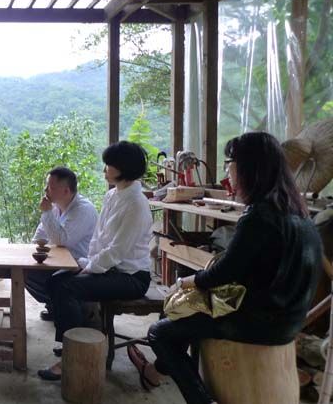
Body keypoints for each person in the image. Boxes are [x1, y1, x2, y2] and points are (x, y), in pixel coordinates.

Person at [128, 132, 322, 404]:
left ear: (248, 167)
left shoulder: (259, 216)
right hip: (289, 321)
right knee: (188, 320)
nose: (227, 171)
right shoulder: (300, 215)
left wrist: (186, 281)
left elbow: (223, 274)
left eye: (229, 163)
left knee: (160, 332)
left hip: (259, 324)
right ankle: (153, 374)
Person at [38, 141, 153, 381]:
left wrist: (89, 267)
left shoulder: (136, 204)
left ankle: (70, 356)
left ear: (123, 168)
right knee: (55, 280)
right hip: (109, 268)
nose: (104, 169)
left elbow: (117, 251)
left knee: (67, 287)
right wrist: (86, 262)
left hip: (130, 276)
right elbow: (98, 239)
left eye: (109, 165)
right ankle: (74, 341)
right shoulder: (113, 195)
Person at [26, 167, 98, 322]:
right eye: (46, 185)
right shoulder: (56, 206)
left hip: (79, 265)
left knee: (52, 280)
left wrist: (46, 213)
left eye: (50, 187)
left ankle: (79, 309)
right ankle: (56, 306)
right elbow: (40, 235)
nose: (45, 190)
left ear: (66, 191)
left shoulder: (83, 209)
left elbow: (62, 240)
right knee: (24, 271)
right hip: (58, 261)